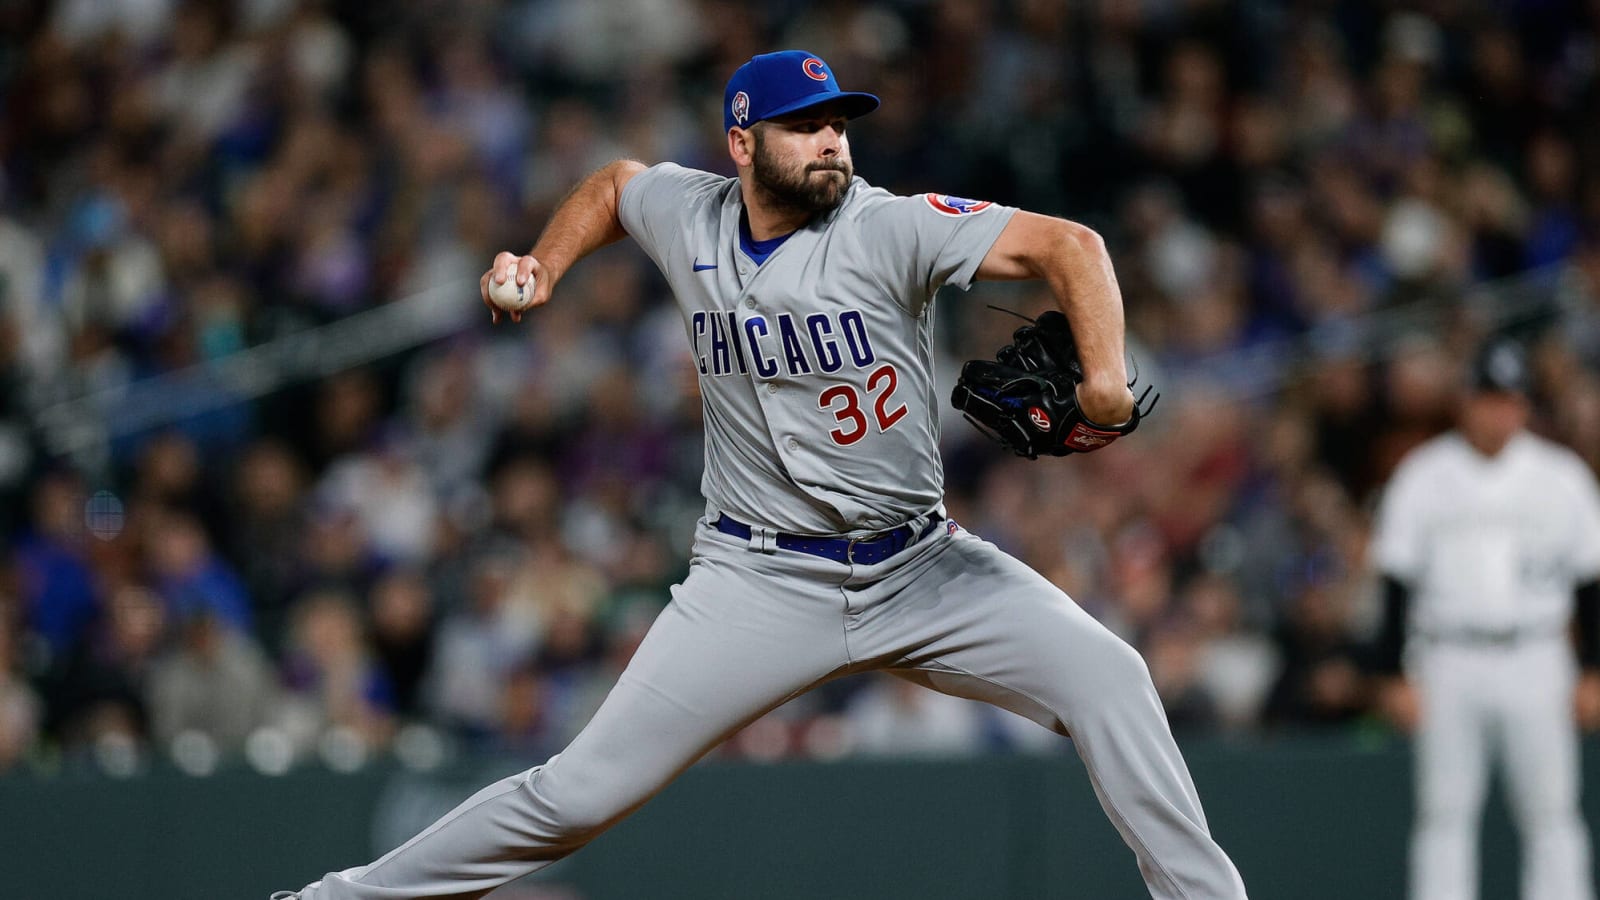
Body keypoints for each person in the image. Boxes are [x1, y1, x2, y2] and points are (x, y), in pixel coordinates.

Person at [275, 50, 1248, 900]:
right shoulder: (689, 214)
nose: (831, 141)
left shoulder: (886, 226)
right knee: (576, 796)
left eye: (839, 124)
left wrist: (1108, 375)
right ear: (741, 143)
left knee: (1110, 679)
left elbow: (1070, 245)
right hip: (758, 581)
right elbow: (615, 185)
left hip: (923, 570)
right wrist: (544, 262)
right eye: (805, 126)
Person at [1370, 337, 1600, 900]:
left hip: (1538, 654)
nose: (1500, 412)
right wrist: (1394, 673)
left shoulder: (1561, 476)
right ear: (1465, 401)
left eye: (1511, 399)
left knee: (1552, 811)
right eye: (1489, 398)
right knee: (1444, 813)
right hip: (1450, 657)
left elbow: (1590, 582)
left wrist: (1594, 667)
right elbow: (1395, 582)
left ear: (1525, 405)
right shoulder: (1424, 475)